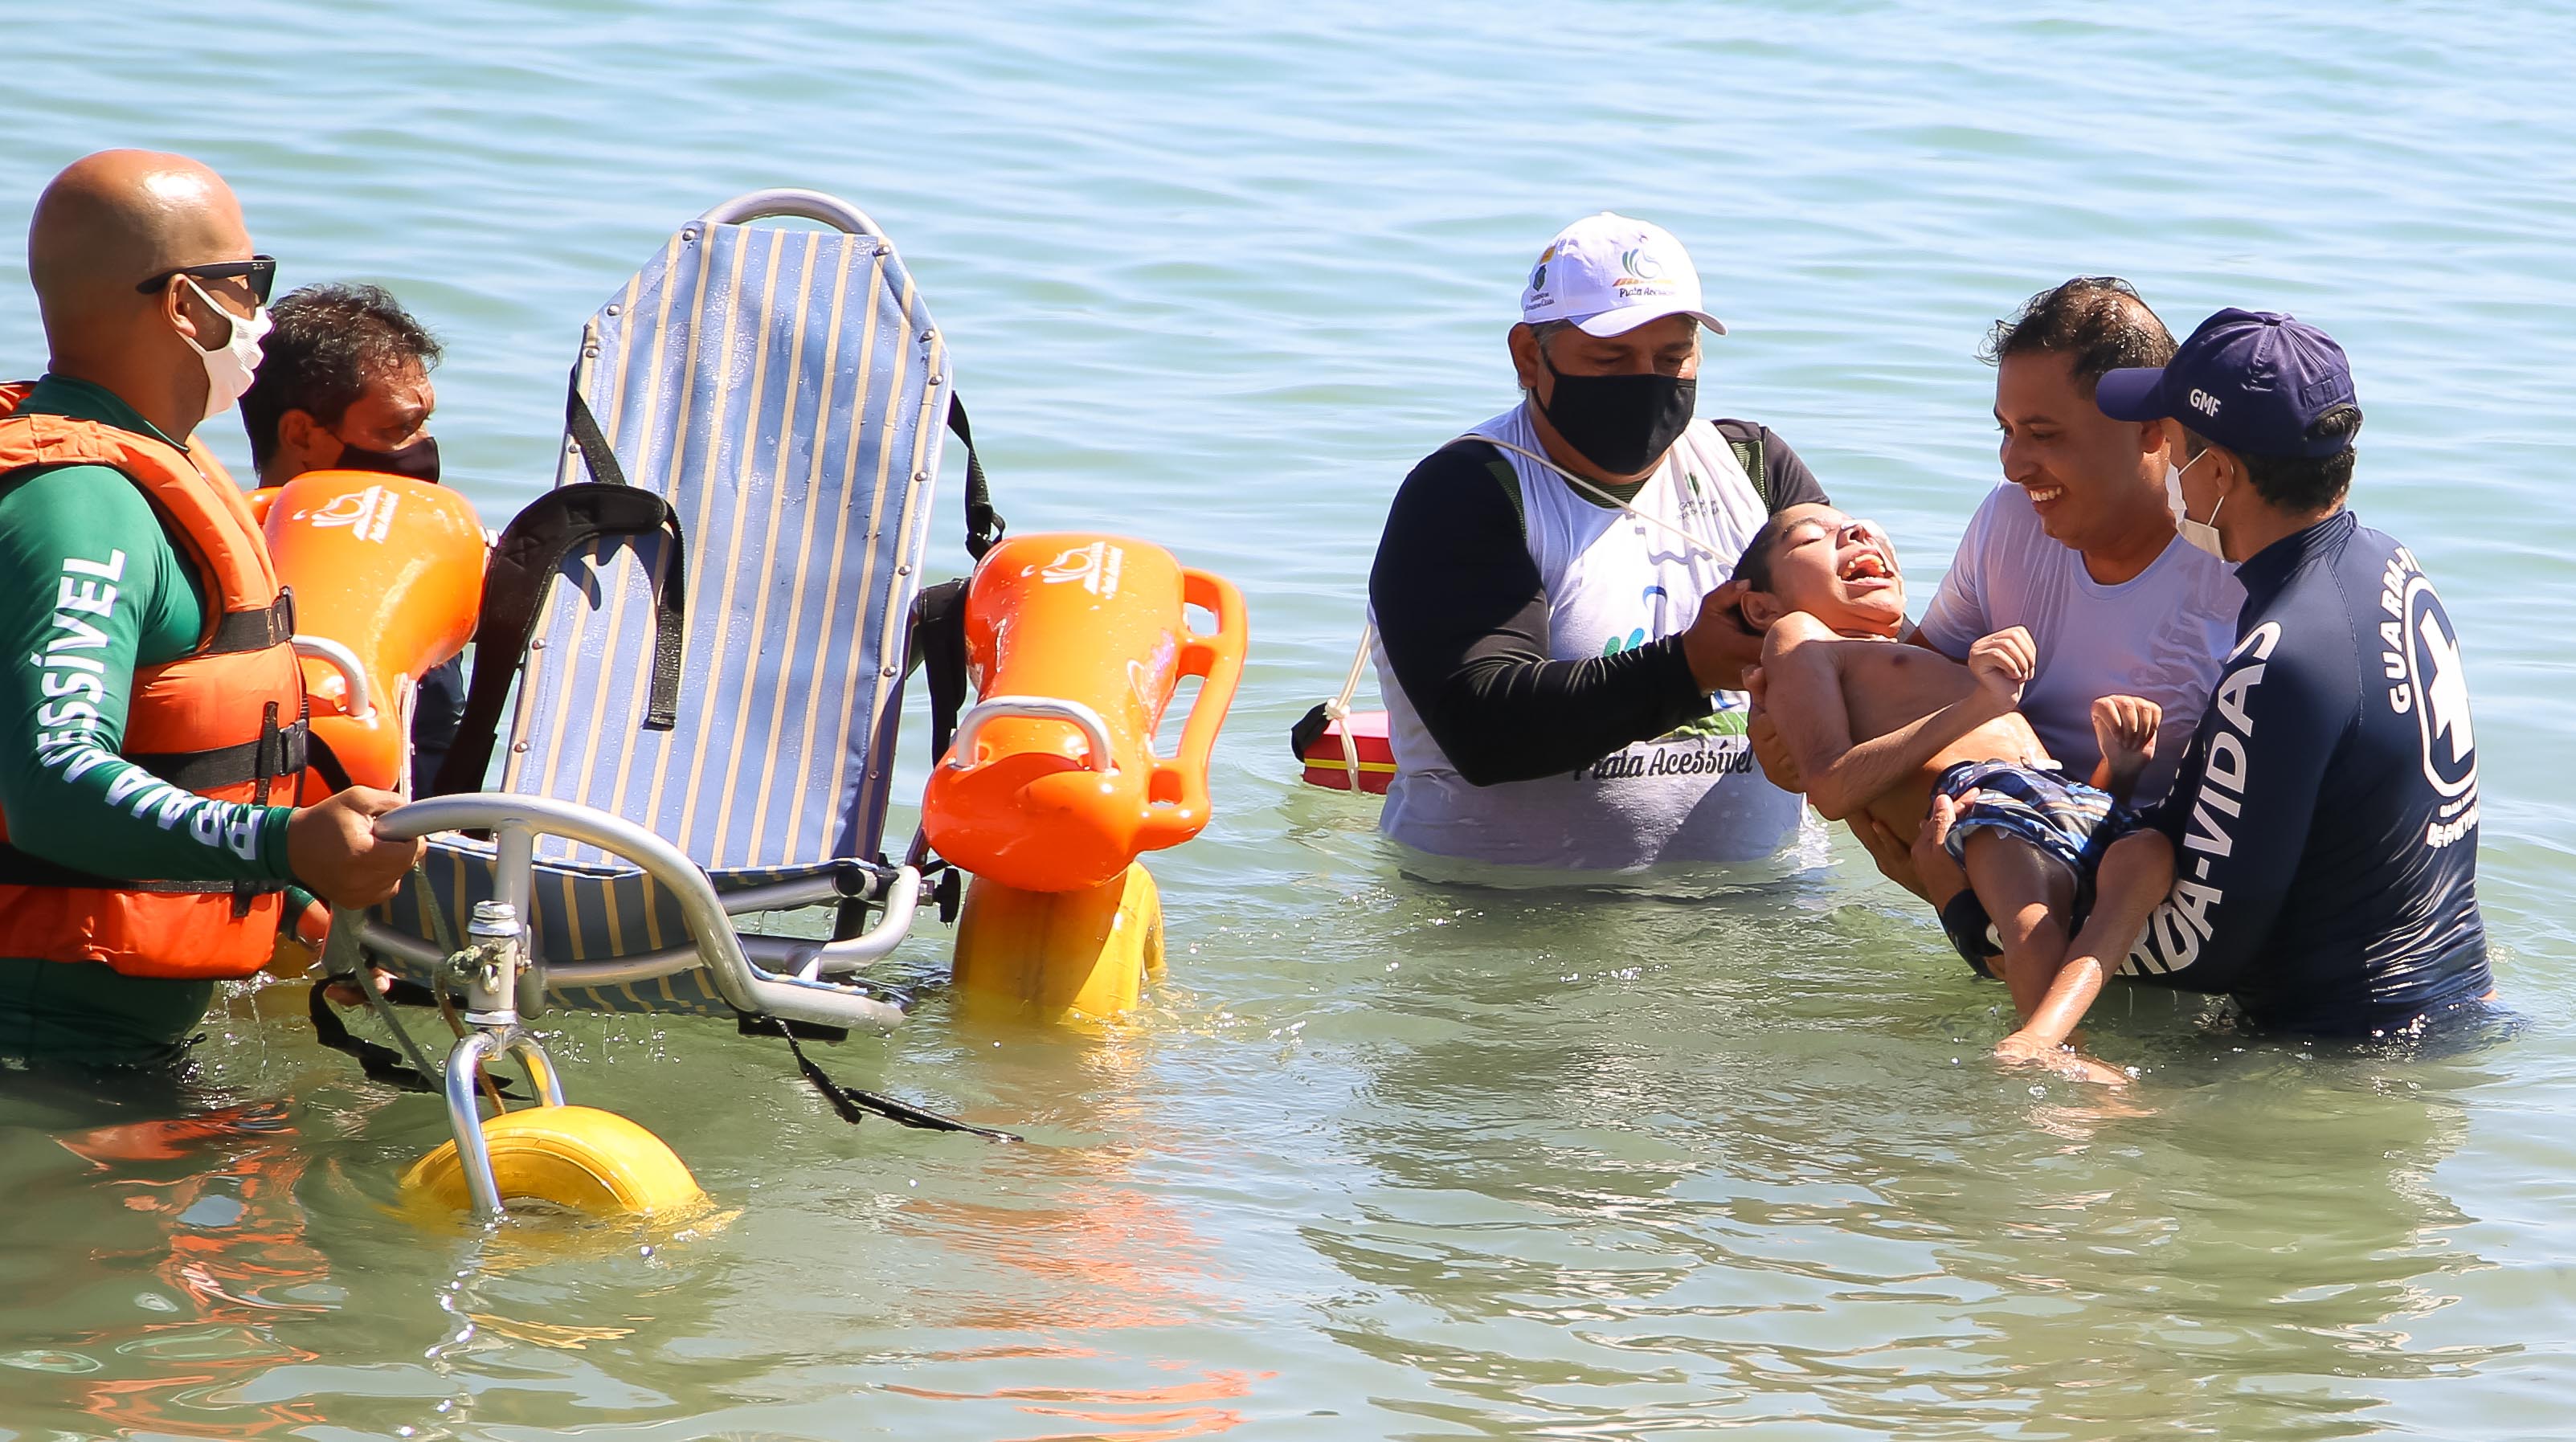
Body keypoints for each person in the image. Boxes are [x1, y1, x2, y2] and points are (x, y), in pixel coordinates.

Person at [1972, 309, 2495, 1058]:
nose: (2164, 462)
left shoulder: (2276, 661)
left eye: (2175, 445)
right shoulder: (2390, 568)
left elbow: (2201, 946)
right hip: (2456, 1001)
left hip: (2338, 1055)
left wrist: (1991, 911)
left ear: (2217, 474)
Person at [0, 150, 423, 1070]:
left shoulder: (152, 464)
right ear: (189, 305)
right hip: (40, 1059)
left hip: (103, 1047)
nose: (261, 312)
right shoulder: (81, 505)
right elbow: (51, 782)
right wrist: (283, 842)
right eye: (249, 280)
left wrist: (290, 902)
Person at [1368, 212, 1830, 872]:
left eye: (1673, 358)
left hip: (1758, 902)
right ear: (1530, 355)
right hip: (1501, 914)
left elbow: (1865, 650)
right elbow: (1484, 730)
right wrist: (1689, 669)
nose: (1648, 382)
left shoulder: (1756, 467)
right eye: (1610, 360)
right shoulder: (1467, 490)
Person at [1762, 280, 2243, 890]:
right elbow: (1915, 683)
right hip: (2006, 856)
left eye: (2043, 435)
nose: (2014, 465)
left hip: (2157, 888)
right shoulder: (2010, 517)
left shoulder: (2238, 563)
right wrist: (1794, 727)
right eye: (2006, 431)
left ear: (2154, 429)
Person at [1736, 504, 2153, 1064]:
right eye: (1814, 537)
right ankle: (2059, 1055)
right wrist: (1979, 704)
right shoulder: (1803, 637)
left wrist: (2119, 769)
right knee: (2031, 909)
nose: (1854, 531)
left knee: (2146, 854)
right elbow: (1831, 787)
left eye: (1859, 525)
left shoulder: (1918, 653)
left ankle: (2054, 1031)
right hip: (1978, 810)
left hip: (2051, 799)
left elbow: (2053, 818)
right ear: (1764, 605)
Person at [239, 282, 465, 781]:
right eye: (396, 430)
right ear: (301, 434)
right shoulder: (232, 575)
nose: (422, 448)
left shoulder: (426, 561)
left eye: (424, 423)